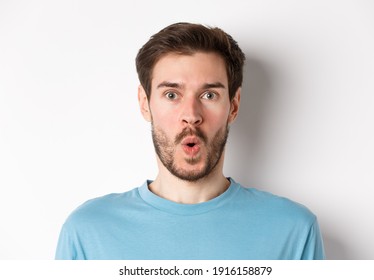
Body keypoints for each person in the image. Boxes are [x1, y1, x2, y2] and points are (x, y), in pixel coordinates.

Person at [55, 22, 325, 260]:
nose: (191, 116)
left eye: (209, 95)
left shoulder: (294, 231)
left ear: (233, 105)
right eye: (172, 95)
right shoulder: (88, 233)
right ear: (145, 103)